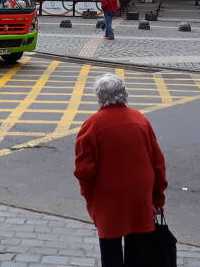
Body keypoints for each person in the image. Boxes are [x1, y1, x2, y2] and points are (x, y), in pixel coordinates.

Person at [74, 73, 167, 267]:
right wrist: (158, 198)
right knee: (139, 250)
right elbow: (158, 162)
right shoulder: (140, 120)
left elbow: (84, 170)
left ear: (99, 96)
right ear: (124, 94)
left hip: (108, 197)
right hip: (140, 195)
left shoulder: (92, 125)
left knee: (110, 249)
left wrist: (88, 196)